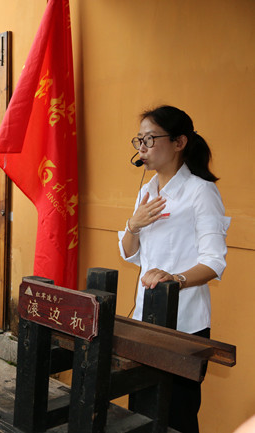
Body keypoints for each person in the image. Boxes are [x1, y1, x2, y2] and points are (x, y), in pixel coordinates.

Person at [118, 105, 230, 433]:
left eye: (150, 139)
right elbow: (130, 253)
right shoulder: (147, 191)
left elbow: (214, 261)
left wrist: (175, 279)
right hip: (145, 319)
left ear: (179, 142)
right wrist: (133, 225)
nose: (142, 147)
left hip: (185, 325)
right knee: (140, 413)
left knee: (176, 417)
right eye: (139, 140)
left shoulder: (200, 191)